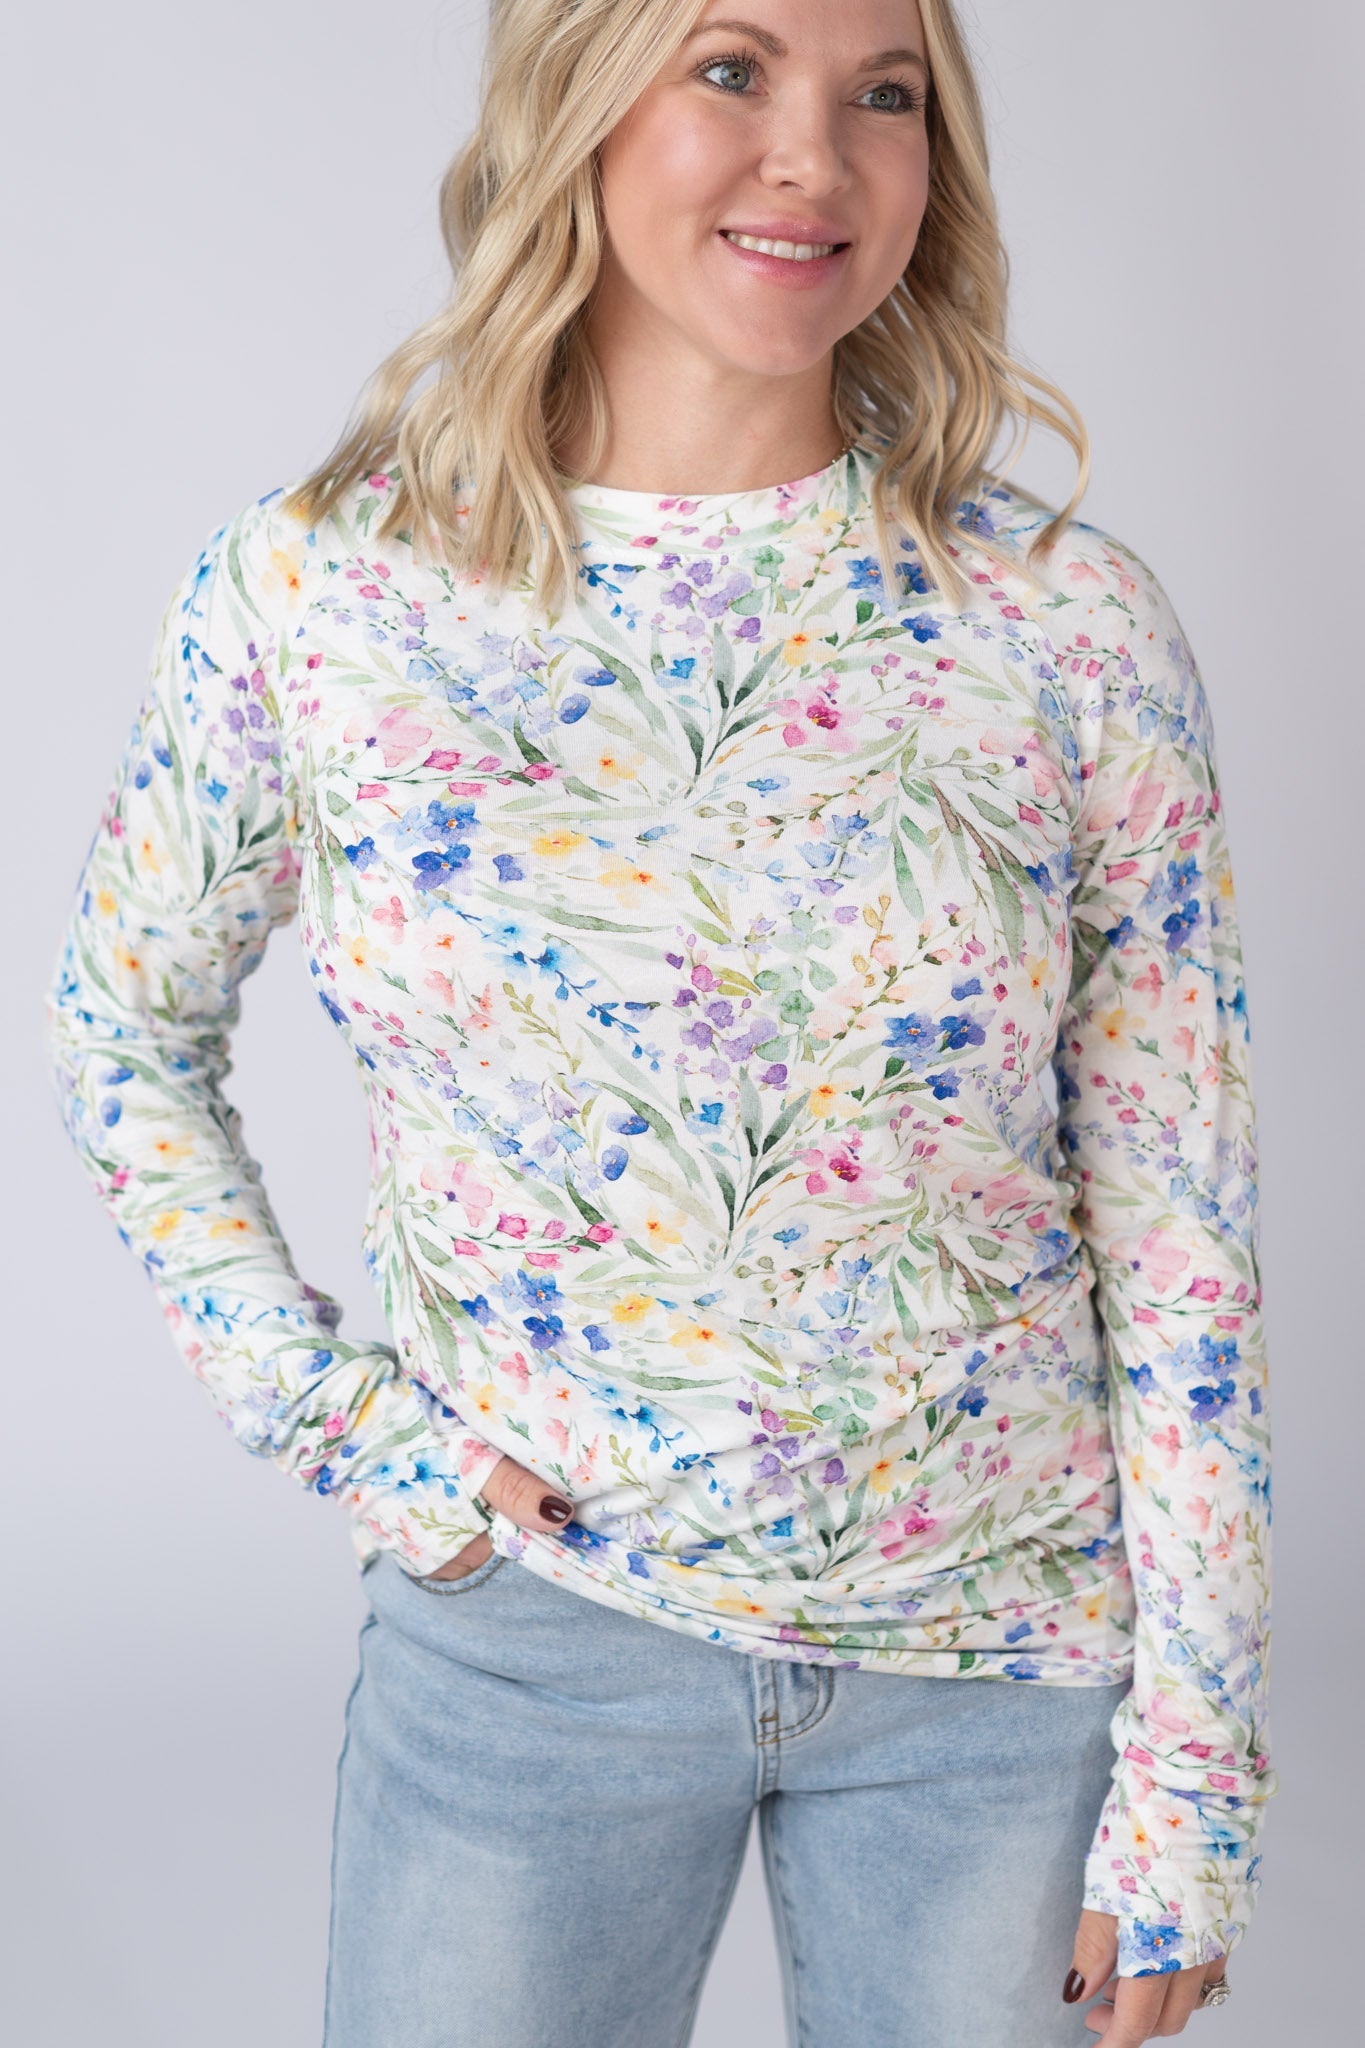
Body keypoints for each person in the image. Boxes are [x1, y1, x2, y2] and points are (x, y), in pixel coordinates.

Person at [43, 1, 1275, 2042]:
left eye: (882, 95)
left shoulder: (1064, 627)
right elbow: (123, 1028)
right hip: (534, 1649)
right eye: (729, 67)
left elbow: (1179, 1230)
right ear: (576, 102)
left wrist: (1192, 1776)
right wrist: (342, 1420)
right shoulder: (322, 594)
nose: (814, 154)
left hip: (1000, 1679)